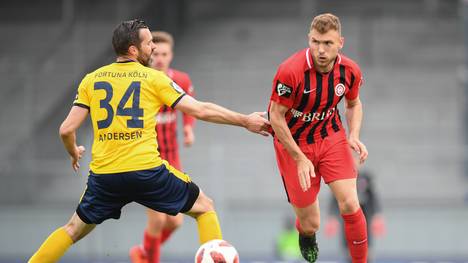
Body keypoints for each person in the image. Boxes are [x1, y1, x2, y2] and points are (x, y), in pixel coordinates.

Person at [28, 19, 270, 263]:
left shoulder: (92, 79)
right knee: (204, 207)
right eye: (149, 43)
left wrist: (73, 151)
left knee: (72, 230)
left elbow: (66, 129)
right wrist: (245, 121)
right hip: (146, 171)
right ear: (133, 49)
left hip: (105, 178)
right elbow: (200, 110)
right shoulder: (153, 78)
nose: (153, 47)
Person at [268, 13, 369, 263]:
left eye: (328, 43)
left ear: (340, 43)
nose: (321, 50)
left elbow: (354, 104)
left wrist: (354, 134)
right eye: (315, 42)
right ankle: (306, 234)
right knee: (311, 223)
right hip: (294, 144)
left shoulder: (350, 71)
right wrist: (298, 157)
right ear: (309, 40)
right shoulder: (290, 71)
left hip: (331, 136)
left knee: (350, 204)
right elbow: (275, 117)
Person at [129, 31, 197, 263]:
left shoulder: (182, 80)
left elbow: (191, 109)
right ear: (148, 53)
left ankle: (142, 252)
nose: (160, 58)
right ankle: (149, 259)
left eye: (165, 54)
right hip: (148, 159)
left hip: (172, 158)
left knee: (175, 221)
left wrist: (188, 129)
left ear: (171, 55)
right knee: (157, 220)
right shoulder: (140, 81)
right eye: (156, 53)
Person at [325, 169, 386, 262]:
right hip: (348, 220)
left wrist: (377, 216)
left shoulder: (365, 178)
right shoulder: (342, 177)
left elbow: (373, 197)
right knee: (350, 251)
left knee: (366, 251)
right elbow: (335, 197)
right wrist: (332, 216)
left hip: (365, 220)